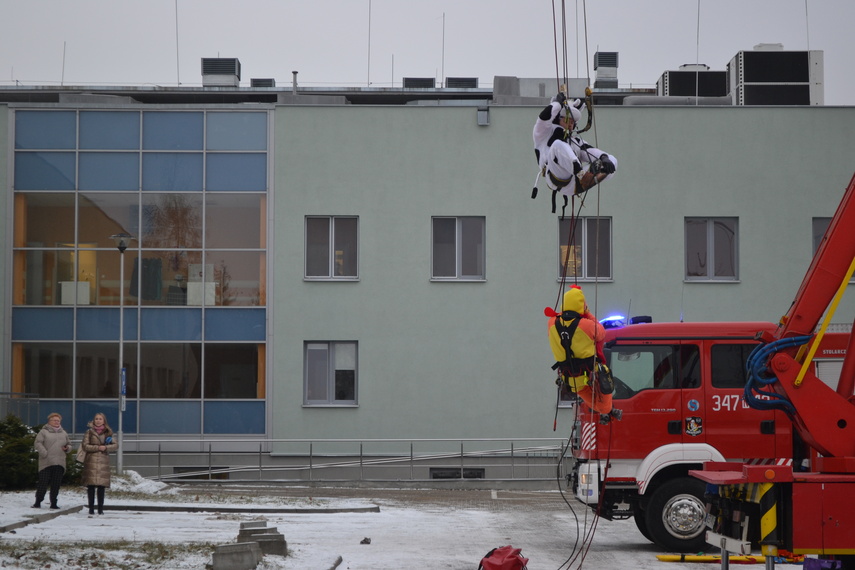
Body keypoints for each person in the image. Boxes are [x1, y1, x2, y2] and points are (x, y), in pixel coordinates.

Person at [547, 285, 621, 423]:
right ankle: (607, 412)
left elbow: (561, 321)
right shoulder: (586, 325)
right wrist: (587, 312)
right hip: (592, 376)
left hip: (572, 379)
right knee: (604, 404)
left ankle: (607, 412)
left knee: (598, 405)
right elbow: (601, 333)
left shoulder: (551, 323)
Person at [532, 93, 617, 202]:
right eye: (567, 120)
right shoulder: (544, 133)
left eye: (572, 122)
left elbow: (591, 151)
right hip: (555, 176)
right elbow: (544, 117)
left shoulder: (575, 141)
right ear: (558, 119)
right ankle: (584, 175)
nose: (570, 124)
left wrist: (604, 158)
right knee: (558, 145)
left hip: (575, 184)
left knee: (612, 159)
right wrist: (557, 104)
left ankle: (592, 177)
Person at [81, 412, 118, 515]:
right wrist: (98, 448)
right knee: (91, 486)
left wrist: (106, 447)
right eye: (96, 419)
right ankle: (91, 509)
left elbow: (115, 445)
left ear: (104, 421)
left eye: (100, 419)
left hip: (103, 462)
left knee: (101, 487)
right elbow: (85, 446)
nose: (98, 420)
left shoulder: (108, 432)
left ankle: (100, 509)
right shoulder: (89, 432)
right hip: (91, 461)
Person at [32, 412, 71, 509]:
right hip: (46, 462)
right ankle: (38, 501)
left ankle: (53, 502)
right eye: (55, 420)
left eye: (58, 420)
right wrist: (44, 453)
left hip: (59, 462)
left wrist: (68, 448)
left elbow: (69, 443)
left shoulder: (63, 432)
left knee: (56, 484)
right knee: (43, 482)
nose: (57, 422)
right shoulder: (43, 432)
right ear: (49, 421)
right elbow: (38, 443)